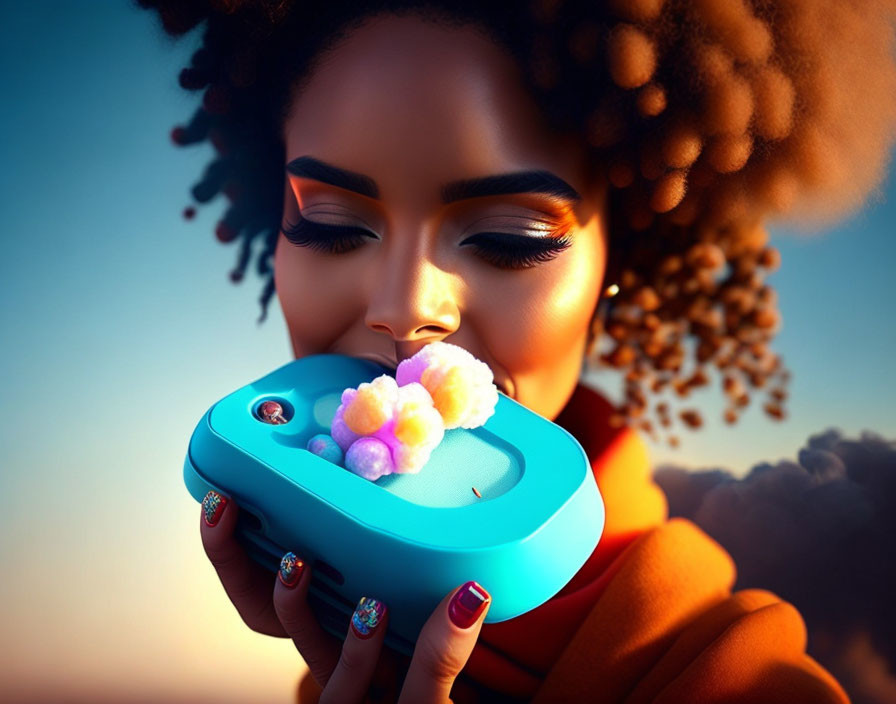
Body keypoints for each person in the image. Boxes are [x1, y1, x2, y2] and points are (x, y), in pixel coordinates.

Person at [143, 1, 896, 701]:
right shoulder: (343, 654)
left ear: (614, 266)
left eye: (512, 239)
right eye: (331, 223)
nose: (405, 308)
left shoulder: (722, 677)